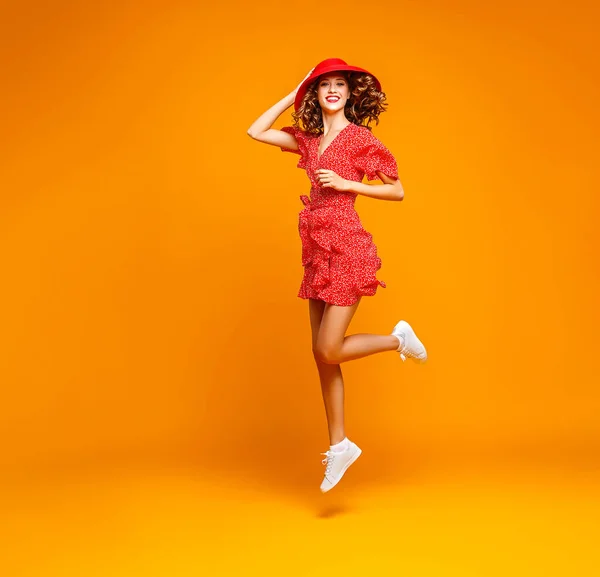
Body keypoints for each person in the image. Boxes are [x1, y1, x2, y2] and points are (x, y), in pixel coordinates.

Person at [247, 58, 428, 493]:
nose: (331, 90)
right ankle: (340, 443)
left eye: (338, 85)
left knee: (330, 348)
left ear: (350, 94)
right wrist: (295, 91)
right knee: (319, 354)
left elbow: (398, 190)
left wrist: (352, 186)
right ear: (316, 93)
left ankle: (397, 340)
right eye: (323, 84)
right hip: (316, 249)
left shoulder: (360, 139)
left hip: (348, 245)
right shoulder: (309, 141)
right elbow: (255, 131)